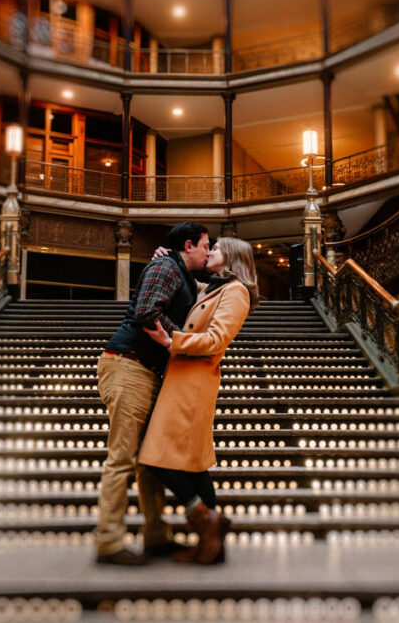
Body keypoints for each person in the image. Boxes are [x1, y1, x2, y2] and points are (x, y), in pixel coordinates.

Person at [94, 222, 210, 565]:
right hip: (129, 366)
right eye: (206, 246)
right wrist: (185, 343)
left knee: (150, 460)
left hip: (146, 371)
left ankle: (156, 536)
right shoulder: (165, 266)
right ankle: (109, 542)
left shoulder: (183, 274)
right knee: (122, 459)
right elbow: (147, 313)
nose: (208, 252)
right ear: (188, 245)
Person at [138, 237, 259, 565]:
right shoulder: (214, 287)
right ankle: (214, 545)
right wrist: (165, 255)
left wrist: (170, 340)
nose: (210, 252)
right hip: (183, 377)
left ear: (231, 257)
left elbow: (217, 341)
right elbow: (182, 273)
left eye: (216, 249)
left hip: (193, 381)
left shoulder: (237, 292)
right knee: (192, 464)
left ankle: (207, 521)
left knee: (154, 456)